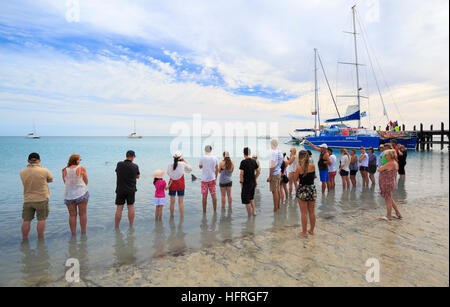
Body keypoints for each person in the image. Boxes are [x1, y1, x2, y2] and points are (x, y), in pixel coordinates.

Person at [20, 153, 53, 239]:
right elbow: (50, 180)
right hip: (41, 199)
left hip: (27, 199)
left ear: (28, 161)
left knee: (26, 220)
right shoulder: (44, 170)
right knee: (41, 219)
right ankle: (40, 238)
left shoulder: (22, 171)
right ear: (39, 160)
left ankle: (25, 238)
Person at [62, 154, 89, 235]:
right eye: (79, 159)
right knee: (83, 214)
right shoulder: (81, 168)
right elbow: (86, 181)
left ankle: (73, 234)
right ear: (76, 160)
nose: (80, 161)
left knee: (72, 215)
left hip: (69, 195)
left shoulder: (64, 170)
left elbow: (65, 182)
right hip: (81, 193)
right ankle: (83, 233)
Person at [115, 150, 140, 228]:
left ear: (126, 156)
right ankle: (131, 226)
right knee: (131, 207)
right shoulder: (135, 166)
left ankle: (116, 227)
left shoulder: (119, 164)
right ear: (132, 157)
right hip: (131, 190)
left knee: (119, 208)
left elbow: (117, 172)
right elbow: (138, 176)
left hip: (120, 189)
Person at [295, 150, 317, 238]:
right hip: (312, 189)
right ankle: (311, 230)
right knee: (312, 211)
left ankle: (304, 232)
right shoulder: (313, 166)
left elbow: (295, 179)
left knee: (303, 213)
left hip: (303, 190)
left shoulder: (299, 168)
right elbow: (313, 177)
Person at [378, 149, 402, 221]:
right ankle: (398, 213)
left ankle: (389, 216)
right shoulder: (395, 162)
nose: (385, 156)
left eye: (386, 155)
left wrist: (380, 167)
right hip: (390, 182)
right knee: (390, 198)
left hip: (387, 183)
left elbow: (379, 170)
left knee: (388, 199)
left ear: (390, 156)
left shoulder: (390, 163)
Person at [167, 151, 192, 217]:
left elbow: (168, 173)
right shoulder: (182, 164)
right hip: (180, 184)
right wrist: (184, 161)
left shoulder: (169, 164)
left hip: (172, 183)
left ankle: (171, 216)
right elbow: (190, 169)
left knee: (172, 202)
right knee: (180, 202)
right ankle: (182, 217)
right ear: (180, 157)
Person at [240, 147, 260, 216]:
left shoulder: (243, 162)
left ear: (244, 153)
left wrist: (241, 182)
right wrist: (255, 178)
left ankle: (249, 215)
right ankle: (254, 212)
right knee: (251, 197)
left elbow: (241, 173)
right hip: (253, 183)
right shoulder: (254, 161)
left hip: (246, 183)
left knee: (246, 200)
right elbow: (258, 171)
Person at [199, 145, 219, 213]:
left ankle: (204, 212)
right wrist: (216, 177)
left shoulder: (202, 157)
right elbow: (217, 168)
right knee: (213, 195)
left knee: (204, 196)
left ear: (205, 150)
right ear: (211, 150)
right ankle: (215, 211)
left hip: (204, 180)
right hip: (212, 178)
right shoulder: (215, 158)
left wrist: (204, 165)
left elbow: (200, 167)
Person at [266, 139, 283, 212]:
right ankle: (278, 206)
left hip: (274, 173)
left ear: (271, 144)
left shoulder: (273, 152)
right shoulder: (279, 151)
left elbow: (272, 165)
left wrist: (270, 176)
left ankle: (275, 209)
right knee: (278, 190)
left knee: (274, 191)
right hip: (279, 172)